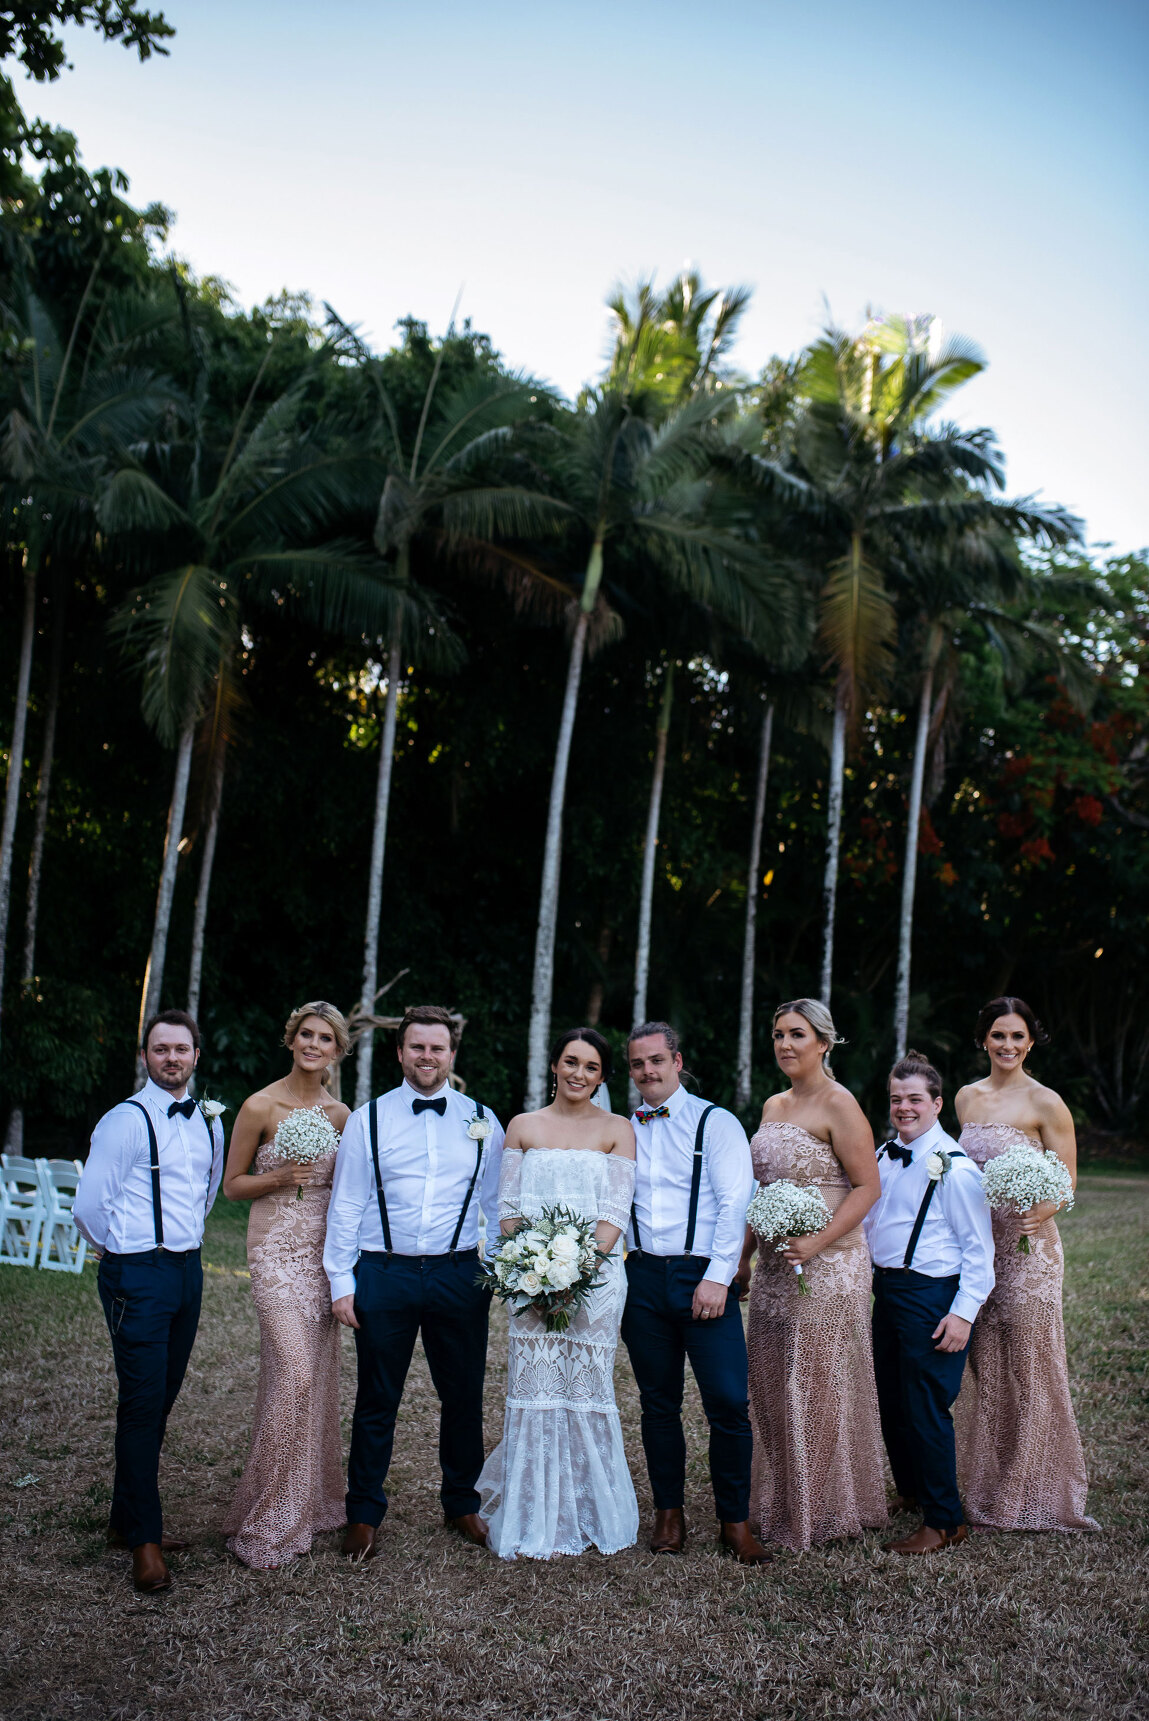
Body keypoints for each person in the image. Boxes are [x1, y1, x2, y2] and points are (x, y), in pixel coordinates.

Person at [323, 1004, 505, 1559]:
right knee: (378, 1396)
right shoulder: (367, 1119)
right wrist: (340, 1279)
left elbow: (496, 1206)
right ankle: (363, 1512)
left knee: (463, 1394)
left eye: (438, 1048)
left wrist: (496, 1269)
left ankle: (463, 1503)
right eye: (417, 1047)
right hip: (385, 1270)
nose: (428, 1056)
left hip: (457, 1271)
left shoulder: (483, 1120)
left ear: (452, 1054)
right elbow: (347, 1200)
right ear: (400, 1053)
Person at [73, 1010, 225, 1593]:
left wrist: (178, 1249)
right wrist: (127, 1256)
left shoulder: (207, 1121)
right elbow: (89, 1208)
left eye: (181, 1049)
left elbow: (205, 1193)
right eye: (160, 1049)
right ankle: (145, 1542)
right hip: (138, 1272)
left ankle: (123, 1519)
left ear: (193, 1056)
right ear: (146, 1057)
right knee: (140, 1404)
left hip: (188, 1271)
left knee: (159, 1399)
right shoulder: (124, 1121)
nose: (171, 1058)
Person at [479, 1028, 638, 1559]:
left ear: (602, 1077)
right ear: (554, 1065)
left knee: (587, 1390)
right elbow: (507, 1210)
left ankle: (590, 1509)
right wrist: (537, 1272)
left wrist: (574, 1275)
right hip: (530, 1281)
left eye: (591, 1067)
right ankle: (532, 1514)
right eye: (571, 1062)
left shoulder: (619, 1129)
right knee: (536, 1389)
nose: (579, 1074)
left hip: (595, 1282)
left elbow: (614, 1215)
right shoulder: (522, 1126)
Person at [739, 999, 886, 1551]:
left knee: (816, 1382)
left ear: (824, 1043)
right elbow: (765, 1188)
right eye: (777, 1035)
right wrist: (747, 1254)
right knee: (773, 1379)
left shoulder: (839, 1103)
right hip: (778, 1264)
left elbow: (867, 1187)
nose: (784, 1045)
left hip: (831, 1263)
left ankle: (821, 1508)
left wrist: (816, 1243)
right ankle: (780, 1494)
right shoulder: (774, 1105)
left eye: (797, 1034)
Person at [621, 1021, 769, 1564]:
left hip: (702, 1276)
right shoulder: (623, 1128)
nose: (647, 1072)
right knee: (658, 1403)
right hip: (641, 1277)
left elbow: (736, 1202)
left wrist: (718, 1274)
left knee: (728, 1402)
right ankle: (669, 1515)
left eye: (656, 1061)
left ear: (677, 1061)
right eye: (637, 1064)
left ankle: (735, 1520)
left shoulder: (717, 1122)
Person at [954, 997, 1098, 1531]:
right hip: (976, 1249)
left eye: (1017, 1037)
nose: (1007, 1046)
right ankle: (990, 1481)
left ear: (1031, 1041)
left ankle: (1035, 1490)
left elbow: (1066, 1181)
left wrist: (1035, 1209)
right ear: (983, 1040)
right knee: (986, 1365)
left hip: (1028, 1250)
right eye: (998, 1036)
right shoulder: (967, 1098)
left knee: (1031, 1367)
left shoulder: (1047, 1102)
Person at [221, 1001, 351, 1568]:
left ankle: (312, 1500)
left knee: (314, 1378)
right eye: (305, 1034)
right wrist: (277, 1177)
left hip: (323, 1256)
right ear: (290, 1038)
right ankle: (266, 1511)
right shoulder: (259, 1105)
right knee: (292, 1371)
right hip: (274, 1253)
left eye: (325, 1038)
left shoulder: (342, 1114)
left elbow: (347, 1194)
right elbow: (231, 1186)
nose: (313, 1045)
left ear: (337, 1051)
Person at [865, 1050, 995, 1555]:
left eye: (915, 1099)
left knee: (926, 1407)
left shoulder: (957, 1170)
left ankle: (945, 1521)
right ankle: (913, 1491)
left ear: (937, 1103)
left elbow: (979, 1254)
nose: (904, 1107)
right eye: (896, 1099)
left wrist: (962, 1314)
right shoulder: (884, 1155)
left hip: (931, 1296)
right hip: (888, 1290)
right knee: (892, 1399)